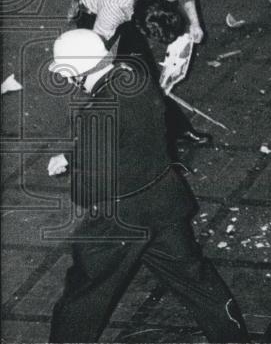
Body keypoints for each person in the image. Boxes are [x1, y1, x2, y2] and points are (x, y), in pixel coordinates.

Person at [46, 28, 249, 343]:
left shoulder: (95, 114)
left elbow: (91, 187)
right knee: (197, 282)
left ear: (75, 73)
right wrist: (74, 155)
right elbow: (132, 136)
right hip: (163, 200)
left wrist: (80, 179)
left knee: (85, 293)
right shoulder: (138, 81)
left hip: (119, 218)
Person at [72, 0, 211, 146]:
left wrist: (195, 24)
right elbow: (97, 48)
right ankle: (121, 135)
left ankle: (177, 129)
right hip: (93, 13)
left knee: (148, 76)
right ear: (138, 25)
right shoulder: (112, 12)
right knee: (128, 80)